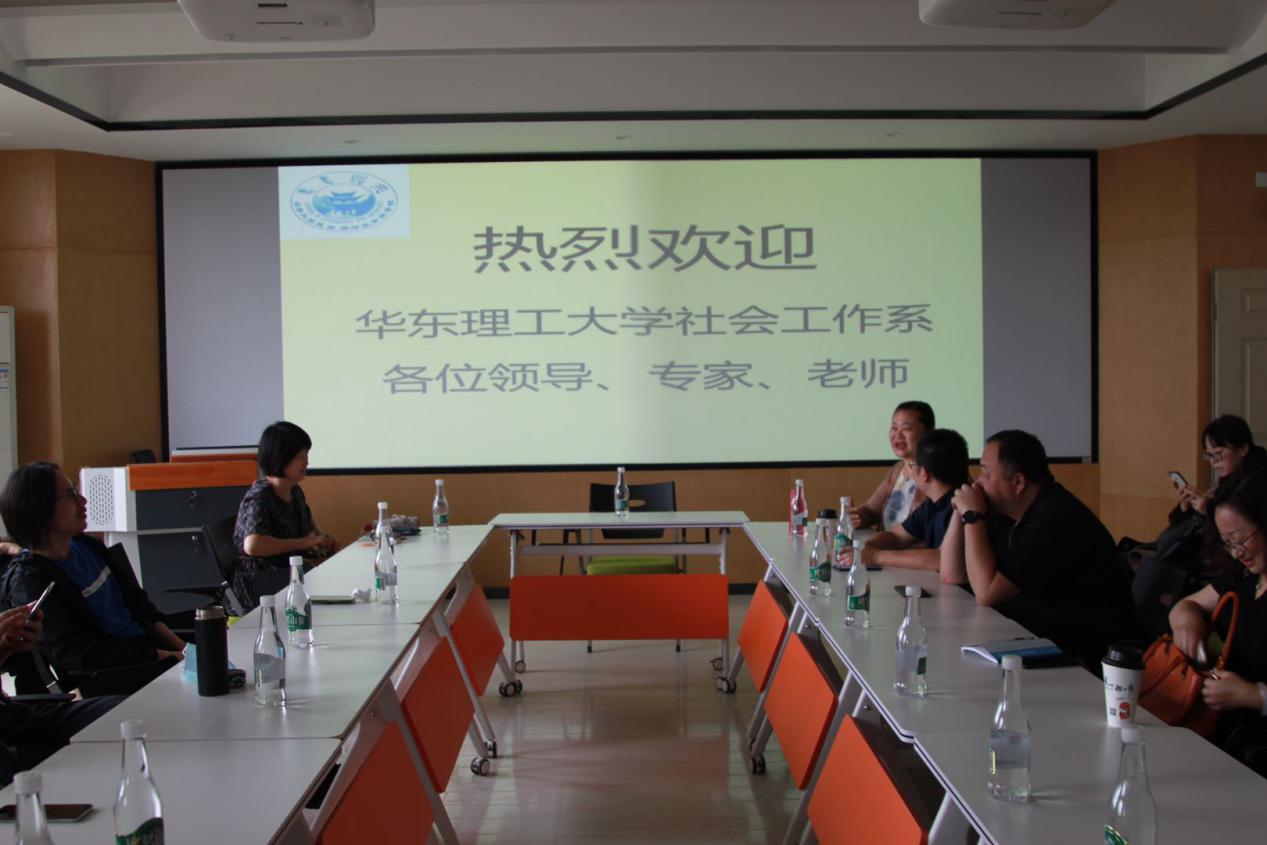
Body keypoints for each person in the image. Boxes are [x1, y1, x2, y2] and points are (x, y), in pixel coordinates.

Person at [941, 429, 1139, 669]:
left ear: (1018, 482)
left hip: (1086, 659)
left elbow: (986, 593)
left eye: (986, 473)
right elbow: (952, 574)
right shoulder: (1008, 511)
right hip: (1037, 638)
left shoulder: (1056, 519)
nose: (978, 483)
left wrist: (972, 515)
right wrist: (960, 511)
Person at [0, 463, 185, 694]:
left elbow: (139, 605)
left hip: (150, 654)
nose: (83, 500)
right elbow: (81, 655)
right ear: (42, 511)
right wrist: (167, 658)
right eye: (71, 494)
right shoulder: (30, 581)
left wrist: (184, 649)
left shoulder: (88, 545)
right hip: (114, 677)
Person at [1168, 470, 1267, 776]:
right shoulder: (1244, 576)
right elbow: (1188, 605)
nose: (1237, 553)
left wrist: (1254, 695)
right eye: (1227, 543)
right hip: (1225, 736)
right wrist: (1187, 623)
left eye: (1241, 539)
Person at [0, 603, 122, 786]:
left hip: (13, 715)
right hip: (7, 752)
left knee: (124, 713)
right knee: (96, 756)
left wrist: (5, 646)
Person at [234, 421, 335, 610]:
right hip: (263, 586)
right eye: (300, 456)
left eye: (306, 455)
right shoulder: (261, 495)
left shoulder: (295, 491)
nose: (306, 462)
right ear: (281, 457)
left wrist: (323, 541)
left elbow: (312, 532)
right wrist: (304, 543)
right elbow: (253, 545)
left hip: (291, 578)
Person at [844, 428, 970, 572]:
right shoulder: (931, 504)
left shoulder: (962, 506)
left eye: (912, 465)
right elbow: (897, 536)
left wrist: (875, 556)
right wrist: (864, 548)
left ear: (924, 474)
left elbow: (941, 559)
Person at [846, 401, 935, 532]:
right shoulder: (897, 469)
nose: (897, 435)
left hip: (904, 546)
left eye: (906, 429)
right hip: (886, 543)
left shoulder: (938, 474)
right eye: (894, 428)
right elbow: (871, 510)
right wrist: (855, 517)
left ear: (928, 433)